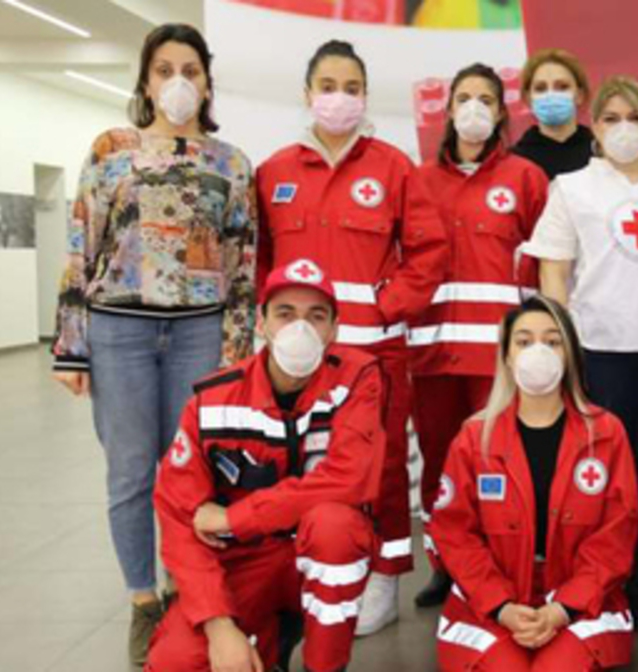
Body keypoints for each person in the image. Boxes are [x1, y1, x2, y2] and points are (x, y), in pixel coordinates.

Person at [49, 23, 256, 665]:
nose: (177, 83)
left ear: (207, 81)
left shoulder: (231, 163)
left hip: (200, 329)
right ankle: (144, 599)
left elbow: (243, 262)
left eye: (189, 70)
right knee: (131, 473)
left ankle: (185, 591)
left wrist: (237, 352)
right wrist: (71, 344)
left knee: (190, 473)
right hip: (120, 330)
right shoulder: (112, 147)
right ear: (145, 80)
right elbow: (82, 242)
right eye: (164, 70)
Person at [255, 39, 449, 635]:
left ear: (365, 96)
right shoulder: (274, 171)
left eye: (352, 87)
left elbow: (429, 253)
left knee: (382, 465)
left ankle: (384, 576)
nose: (340, 98)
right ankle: (303, 568)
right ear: (308, 94)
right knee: (297, 459)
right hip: (293, 359)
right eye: (328, 86)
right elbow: (261, 262)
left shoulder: (393, 168)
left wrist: (392, 305)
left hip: (374, 352)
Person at [522, 75, 638, 640]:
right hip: (602, 350)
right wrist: (559, 346)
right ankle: (601, 583)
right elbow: (552, 268)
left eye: (635, 117)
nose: (623, 128)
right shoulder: (573, 187)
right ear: (595, 127)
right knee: (605, 476)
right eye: (611, 118)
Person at [146, 259, 384, 672]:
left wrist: (235, 518)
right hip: (245, 563)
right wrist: (219, 628)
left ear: (334, 329)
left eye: (316, 316)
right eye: (285, 314)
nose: (300, 329)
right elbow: (180, 515)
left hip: (320, 553)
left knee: (336, 526)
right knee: (177, 662)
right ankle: (266, 640)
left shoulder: (358, 379)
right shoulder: (213, 401)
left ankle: (324, 665)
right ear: (262, 322)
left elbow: (348, 478)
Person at [430, 296, 638, 671]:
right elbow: (454, 534)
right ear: (507, 356)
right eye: (524, 341)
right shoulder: (474, 438)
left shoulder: (606, 434)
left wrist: (562, 609)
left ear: (570, 354)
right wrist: (502, 607)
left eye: (552, 341)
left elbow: (616, 536)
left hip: (582, 603)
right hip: (492, 602)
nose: (538, 352)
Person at [410, 62, 550, 608]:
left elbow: (543, 264)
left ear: (500, 112)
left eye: (485, 99)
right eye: (463, 97)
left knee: (498, 463)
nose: (473, 108)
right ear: (447, 110)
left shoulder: (525, 178)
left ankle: (500, 565)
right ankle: (443, 565)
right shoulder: (418, 181)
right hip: (432, 354)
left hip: (497, 358)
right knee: (441, 462)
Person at [512, 48, 595, 179]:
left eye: (562, 87)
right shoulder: (514, 161)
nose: (551, 95)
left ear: (579, 95)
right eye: (540, 88)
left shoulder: (600, 153)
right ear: (528, 98)